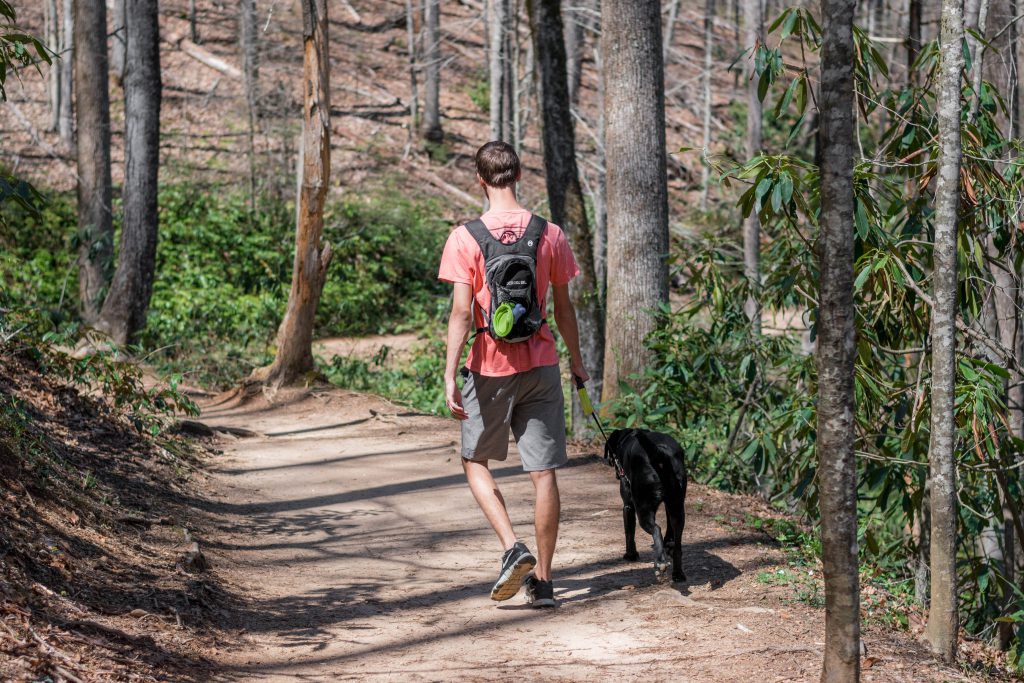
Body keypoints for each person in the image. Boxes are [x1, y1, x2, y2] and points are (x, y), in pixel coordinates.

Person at [438, 141, 589, 608]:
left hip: (488, 366)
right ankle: (543, 583)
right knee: (543, 474)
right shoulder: (551, 234)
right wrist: (577, 363)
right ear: (519, 175)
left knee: (474, 461)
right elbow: (563, 309)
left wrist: (449, 372)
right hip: (542, 362)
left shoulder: (465, 237)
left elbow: (462, 312)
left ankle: (512, 546)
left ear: (479, 179)